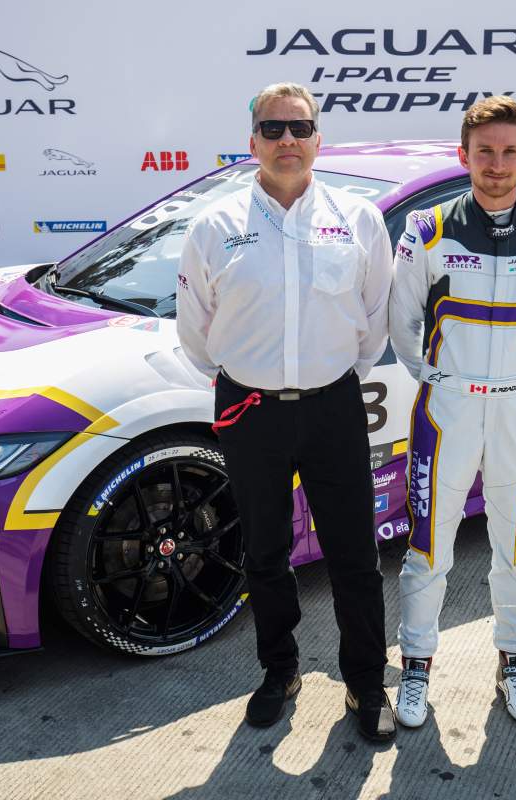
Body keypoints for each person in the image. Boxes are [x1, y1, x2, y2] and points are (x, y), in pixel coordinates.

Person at [176, 82, 397, 741]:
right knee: (265, 552)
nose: (287, 141)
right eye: (272, 129)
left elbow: (374, 322)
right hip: (250, 410)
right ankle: (280, 671)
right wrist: (256, 378)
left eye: (299, 128)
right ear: (252, 144)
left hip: (332, 406)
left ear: (318, 140)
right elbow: (195, 334)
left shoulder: (358, 220)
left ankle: (364, 684)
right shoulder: (214, 227)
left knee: (355, 555)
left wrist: (323, 380)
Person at [388, 96, 516, 727]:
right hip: (445, 411)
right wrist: (441, 378)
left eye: (509, 152)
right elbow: (402, 319)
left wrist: (514, 382)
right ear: (463, 155)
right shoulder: (427, 229)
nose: (496, 166)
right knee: (428, 544)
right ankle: (416, 665)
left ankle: (514, 661)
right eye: (484, 153)